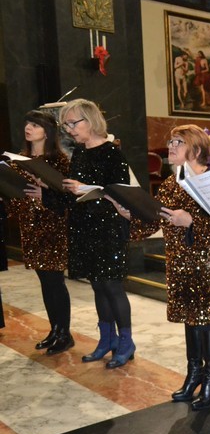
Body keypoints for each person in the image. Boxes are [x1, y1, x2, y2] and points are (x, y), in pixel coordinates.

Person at [115, 124, 210, 411]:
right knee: (190, 320)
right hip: (180, 260)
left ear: (197, 148)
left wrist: (192, 222)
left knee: (207, 320)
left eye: (178, 142)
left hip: (208, 260)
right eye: (170, 142)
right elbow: (154, 220)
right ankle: (194, 374)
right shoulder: (171, 182)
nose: (171, 147)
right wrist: (130, 214)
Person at [59, 99, 135, 369]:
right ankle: (107, 340)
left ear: (90, 120)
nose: (69, 129)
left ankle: (126, 342)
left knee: (112, 286)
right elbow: (76, 190)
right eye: (65, 125)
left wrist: (86, 188)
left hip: (108, 226)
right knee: (97, 285)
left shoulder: (111, 153)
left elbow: (122, 193)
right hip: (84, 225)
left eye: (73, 123)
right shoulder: (79, 152)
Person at [6, 110, 72, 355]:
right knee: (44, 280)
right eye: (27, 123)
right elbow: (16, 193)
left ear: (47, 131)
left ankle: (64, 334)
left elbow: (67, 198)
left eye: (35, 125)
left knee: (55, 281)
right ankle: (55, 329)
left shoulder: (59, 161)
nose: (28, 128)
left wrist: (45, 194)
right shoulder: (20, 159)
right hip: (30, 225)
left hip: (52, 226)